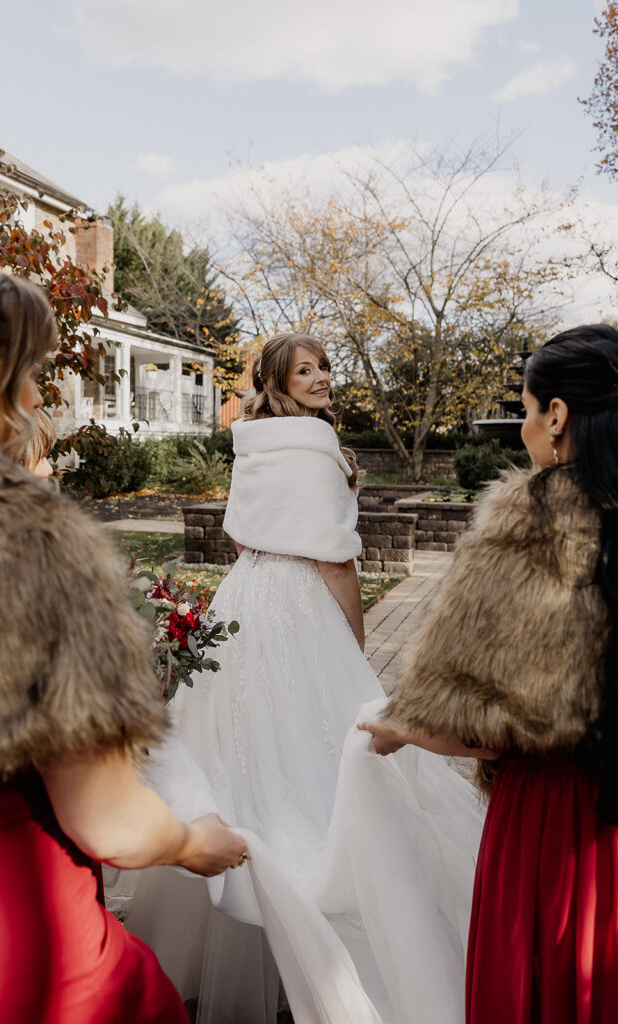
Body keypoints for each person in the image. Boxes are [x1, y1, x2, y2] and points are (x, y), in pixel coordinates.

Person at [114, 332, 486, 1024]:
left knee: (236, 748)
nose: (320, 380)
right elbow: (337, 561)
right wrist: (350, 643)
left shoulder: (252, 445)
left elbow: (243, 536)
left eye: (322, 367)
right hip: (301, 605)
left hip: (247, 594)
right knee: (322, 754)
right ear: (278, 382)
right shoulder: (315, 449)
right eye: (304, 371)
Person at [0, 241, 247, 1024]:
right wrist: (188, 842)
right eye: (32, 373)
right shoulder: (22, 539)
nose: (38, 398)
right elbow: (107, 820)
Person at [360, 324, 618, 1023]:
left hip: (557, 827)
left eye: (528, 410)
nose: (526, 427)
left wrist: (397, 729)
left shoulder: (533, 521)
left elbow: (477, 730)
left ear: (556, 416)